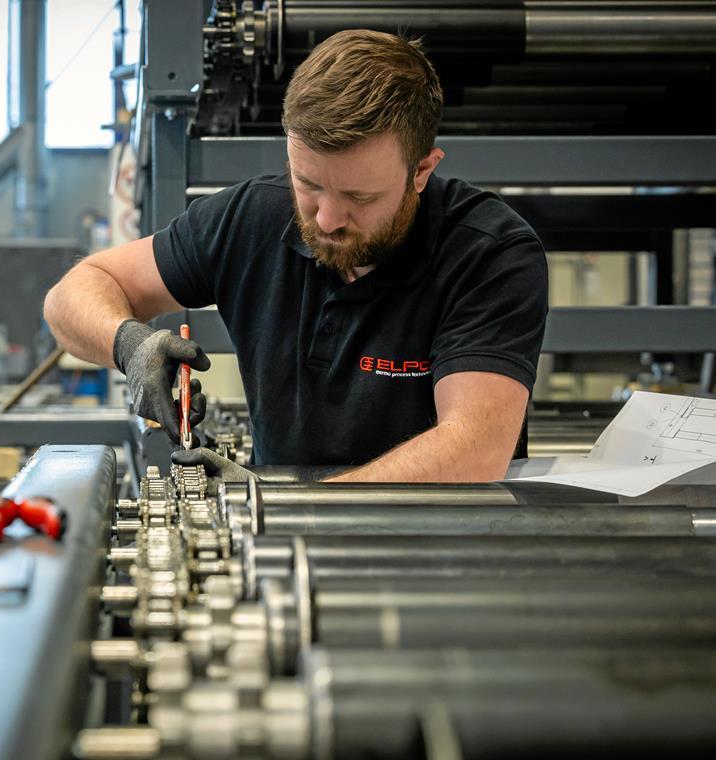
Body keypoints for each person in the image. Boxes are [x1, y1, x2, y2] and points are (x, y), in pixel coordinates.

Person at [43, 29, 548, 483]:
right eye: (308, 184)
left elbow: (473, 452)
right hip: (281, 556)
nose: (327, 219)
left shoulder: (489, 254)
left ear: (421, 172)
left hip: (439, 558)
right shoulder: (251, 218)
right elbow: (71, 297)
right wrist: (130, 345)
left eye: (359, 197)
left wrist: (285, 505)